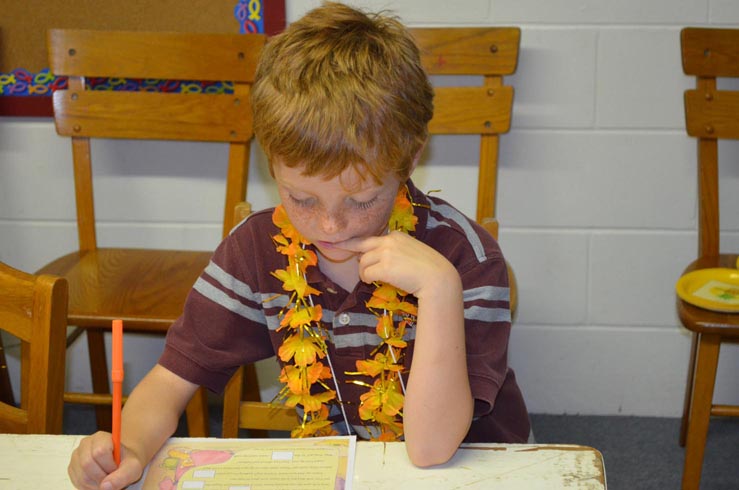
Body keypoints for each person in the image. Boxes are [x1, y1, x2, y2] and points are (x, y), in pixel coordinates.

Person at [67, 2, 530, 488]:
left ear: (410, 158)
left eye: (362, 199)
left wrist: (439, 291)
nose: (330, 225)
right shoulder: (255, 250)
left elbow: (434, 450)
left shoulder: (463, 260)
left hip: (474, 470)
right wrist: (132, 447)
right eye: (302, 198)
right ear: (271, 165)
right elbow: (169, 380)